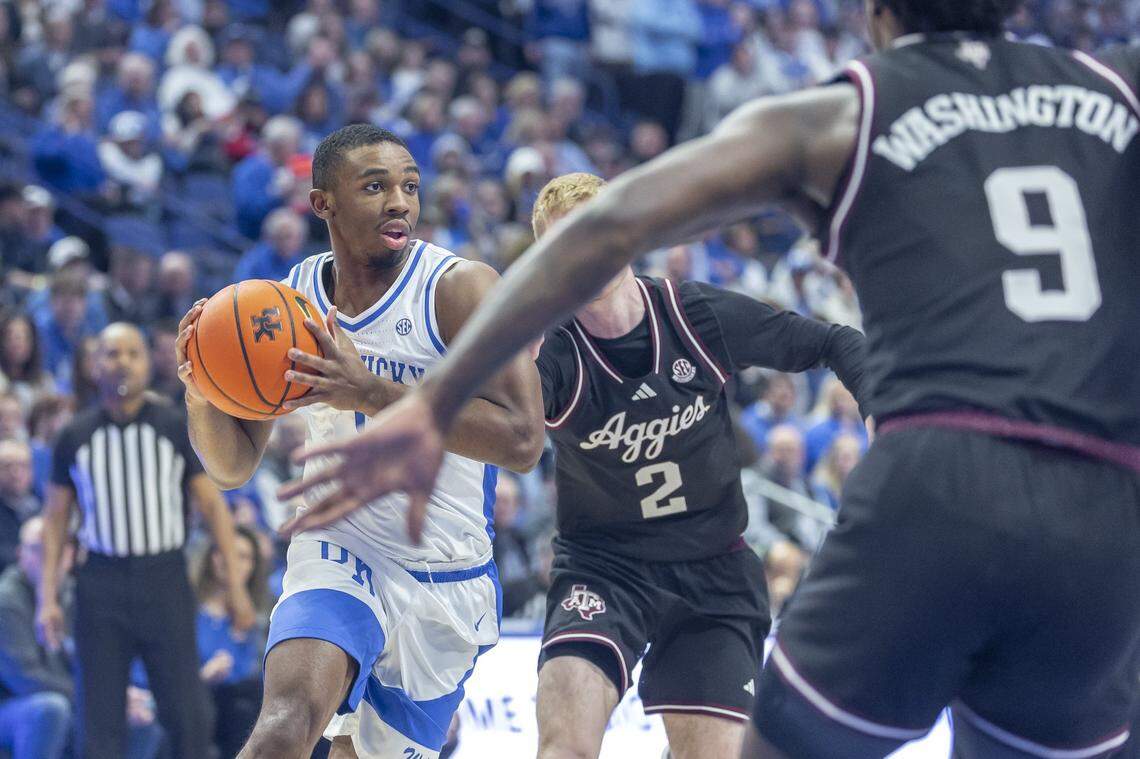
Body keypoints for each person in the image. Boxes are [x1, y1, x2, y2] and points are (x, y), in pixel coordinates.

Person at [280, 3, 1140, 757]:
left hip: (808, 526)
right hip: (1095, 493)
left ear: (876, 15)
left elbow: (631, 231)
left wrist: (423, 404)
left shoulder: (829, 134)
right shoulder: (1113, 86)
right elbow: (515, 432)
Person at [177, 123, 544, 758]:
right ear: (323, 203)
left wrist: (370, 392)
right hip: (339, 543)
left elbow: (522, 439)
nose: (400, 201)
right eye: (374, 187)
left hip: (447, 573)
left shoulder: (460, 289)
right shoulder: (288, 303)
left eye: (409, 185)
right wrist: (201, 390)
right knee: (286, 722)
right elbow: (233, 466)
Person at [528, 173, 866, 759]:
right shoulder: (551, 350)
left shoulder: (695, 316)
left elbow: (836, 340)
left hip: (713, 568)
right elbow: (506, 430)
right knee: (565, 747)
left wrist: (882, 410)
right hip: (604, 568)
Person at [37, 322, 257, 759]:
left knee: (188, 714)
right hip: (100, 583)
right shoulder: (74, 435)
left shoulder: (173, 427)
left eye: (132, 353)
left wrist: (235, 588)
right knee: (98, 720)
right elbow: (56, 519)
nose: (122, 362)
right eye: (111, 353)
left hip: (164, 579)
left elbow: (214, 510)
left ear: (147, 363)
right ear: (93, 363)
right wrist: (47, 597)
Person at [196, 525, 269, 759]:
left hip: (241, 707)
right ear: (213, 557)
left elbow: (254, 677)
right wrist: (204, 676)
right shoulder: (188, 611)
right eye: (227, 551)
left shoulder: (257, 621)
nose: (234, 562)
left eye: (244, 557)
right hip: (199, 702)